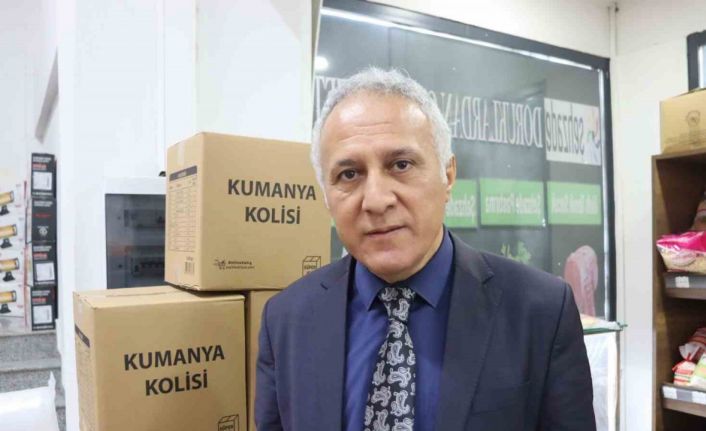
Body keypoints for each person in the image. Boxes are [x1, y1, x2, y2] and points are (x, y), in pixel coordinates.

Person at [255, 67, 595, 431]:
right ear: (325, 196)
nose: (376, 200)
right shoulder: (286, 320)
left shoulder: (540, 312)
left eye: (401, 165)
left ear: (448, 175)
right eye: (349, 174)